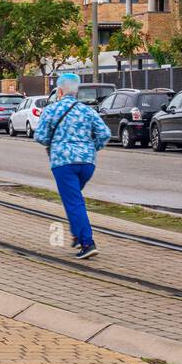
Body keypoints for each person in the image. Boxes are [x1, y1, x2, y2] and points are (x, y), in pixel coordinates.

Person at [33, 73, 111, 259]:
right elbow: (105, 133)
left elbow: (40, 136)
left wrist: (54, 142)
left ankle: (87, 242)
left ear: (59, 91)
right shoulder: (87, 111)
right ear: (77, 91)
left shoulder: (52, 110)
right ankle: (77, 234)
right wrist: (92, 148)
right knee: (74, 199)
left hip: (63, 163)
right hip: (87, 164)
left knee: (74, 202)